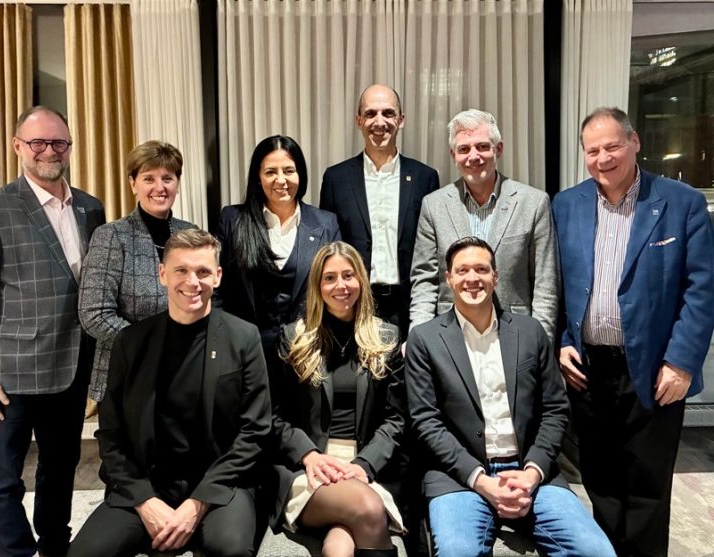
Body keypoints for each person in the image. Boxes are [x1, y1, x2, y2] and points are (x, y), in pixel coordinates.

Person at [552, 106, 714, 556]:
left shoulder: (681, 203)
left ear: (635, 142)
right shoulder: (567, 205)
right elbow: (559, 285)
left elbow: (702, 290)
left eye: (612, 146)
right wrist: (564, 342)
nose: (603, 158)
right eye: (592, 150)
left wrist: (681, 363)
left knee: (646, 486)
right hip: (587, 370)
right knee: (600, 482)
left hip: (655, 369)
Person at [0, 106, 105, 557]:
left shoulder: (90, 207)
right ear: (19, 146)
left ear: (70, 147)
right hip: (10, 376)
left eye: (59, 142)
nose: (49, 151)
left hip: (72, 366)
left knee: (60, 468)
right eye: (38, 142)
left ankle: (55, 544)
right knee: (2, 478)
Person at [406, 237, 615, 556]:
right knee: (458, 552)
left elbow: (555, 411)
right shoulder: (425, 339)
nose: (472, 278)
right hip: (459, 477)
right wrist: (480, 480)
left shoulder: (530, 332)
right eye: (462, 270)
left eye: (481, 269)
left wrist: (532, 473)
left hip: (530, 471)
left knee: (595, 550)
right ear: (448, 278)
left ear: (496, 276)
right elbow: (426, 423)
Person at [68, 229, 271, 557]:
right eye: (181, 270)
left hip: (218, 486)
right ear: (163, 274)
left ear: (217, 277)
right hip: (146, 485)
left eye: (203, 271)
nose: (192, 281)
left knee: (231, 550)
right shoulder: (131, 342)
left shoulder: (244, 338)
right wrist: (146, 503)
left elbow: (254, 432)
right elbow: (111, 434)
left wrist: (195, 505)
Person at [271, 241, 406, 557]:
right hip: (310, 470)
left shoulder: (386, 338)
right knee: (367, 509)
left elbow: (396, 419)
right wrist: (309, 456)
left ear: (361, 279)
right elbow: (275, 416)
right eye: (330, 278)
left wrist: (364, 464)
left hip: (368, 467)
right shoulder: (294, 338)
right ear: (317, 285)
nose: (341, 285)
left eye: (348, 275)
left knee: (340, 543)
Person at [409, 109, 558, 341]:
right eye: (464, 149)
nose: (473, 156)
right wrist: (420, 339)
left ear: (498, 149)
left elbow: (545, 286)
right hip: (450, 336)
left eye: (482, 146)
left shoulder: (534, 203)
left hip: (515, 335)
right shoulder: (434, 205)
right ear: (453, 154)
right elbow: (424, 281)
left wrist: (540, 345)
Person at [79, 140, 195, 403]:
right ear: (133, 184)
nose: (159, 187)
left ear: (177, 183)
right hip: (127, 373)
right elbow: (93, 314)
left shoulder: (191, 233)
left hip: (182, 372)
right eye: (148, 178)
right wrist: (152, 345)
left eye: (168, 178)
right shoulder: (111, 236)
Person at [320, 84, 439, 335]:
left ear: (401, 119)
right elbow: (329, 250)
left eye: (388, 113)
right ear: (358, 120)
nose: (379, 121)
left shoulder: (424, 178)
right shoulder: (336, 179)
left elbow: (430, 250)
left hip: (408, 307)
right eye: (371, 113)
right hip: (353, 305)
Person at [217, 135, 340, 370]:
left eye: (289, 170)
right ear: (258, 177)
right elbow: (216, 287)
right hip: (245, 353)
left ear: (300, 174)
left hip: (308, 353)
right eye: (270, 172)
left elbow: (336, 290)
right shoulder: (233, 220)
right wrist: (225, 340)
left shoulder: (326, 224)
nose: (281, 180)